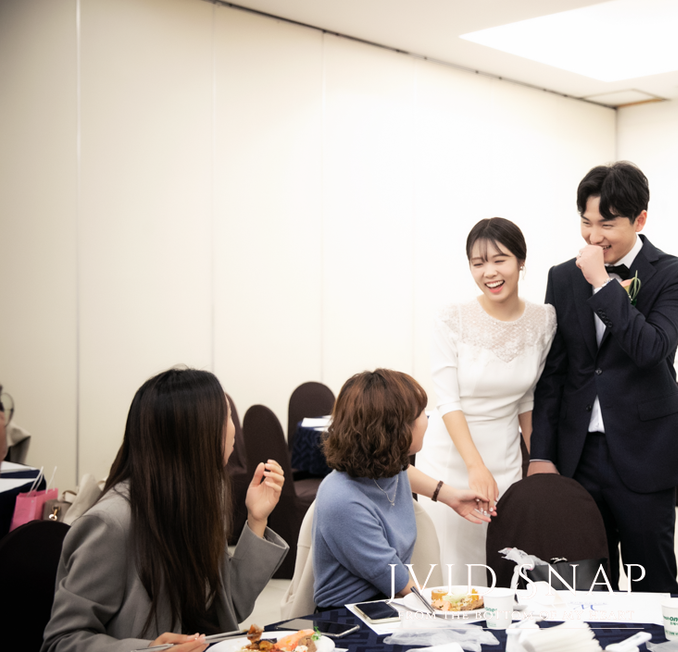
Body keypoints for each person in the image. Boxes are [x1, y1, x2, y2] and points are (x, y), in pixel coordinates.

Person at [529, 161, 678, 593]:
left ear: (639, 220)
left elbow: (651, 349)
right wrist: (541, 453)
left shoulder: (676, 274)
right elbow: (555, 374)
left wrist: (602, 284)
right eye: (586, 223)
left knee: (653, 582)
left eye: (606, 224)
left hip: (645, 452)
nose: (593, 237)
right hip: (578, 455)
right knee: (584, 585)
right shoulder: (562, 277)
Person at [43, 368, 289, 652]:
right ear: (196, 433)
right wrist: (146, 649)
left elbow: (227, 608)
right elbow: (61, 641)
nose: (234, 428)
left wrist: (256, 519)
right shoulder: (112, 523)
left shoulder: (193, 502)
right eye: (227, 416)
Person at [419, 218, 556, 583]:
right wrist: (475, 466)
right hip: (451, 455)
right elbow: (448, 400)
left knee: (499, 561)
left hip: (506, 457)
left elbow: (527, 398)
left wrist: (538, 460)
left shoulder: (543, 320)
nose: (489, 272)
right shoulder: (453, 318)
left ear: (521, 261)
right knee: (451, 567)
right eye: (478, 263)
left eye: (500, 260)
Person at [312, 369, 493, 608]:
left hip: (389, 602)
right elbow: (396, 581)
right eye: (420, 414)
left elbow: (403, 470)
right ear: (395, 429)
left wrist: (450, 496)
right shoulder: (342, 500)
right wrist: (461, 606)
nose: (426, 420)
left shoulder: (384, 467)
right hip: (351, 615)